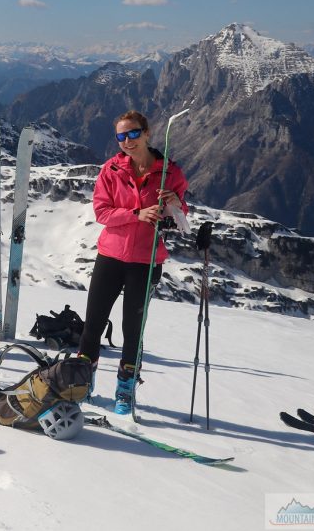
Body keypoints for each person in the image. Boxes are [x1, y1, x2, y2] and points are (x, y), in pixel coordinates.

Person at [77, 110, 188, 415]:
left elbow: (181, 218)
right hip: (111, 256)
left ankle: (125, 389)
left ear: (147, 133)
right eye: (121, 136)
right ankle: (83, 383)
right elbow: (101, 212)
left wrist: (174, 206)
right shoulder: (111, 170)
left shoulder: (170, 173)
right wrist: (136, 214)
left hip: (146, 259)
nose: (127, 141)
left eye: (133, 134)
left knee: (133, 328)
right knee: (93, 323)